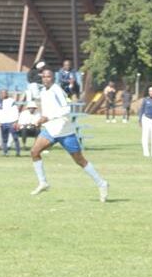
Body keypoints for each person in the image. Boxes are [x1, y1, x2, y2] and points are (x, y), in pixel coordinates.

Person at [29, 69, 109, 202]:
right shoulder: (43, 91)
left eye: (48, 76)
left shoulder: (57, 90)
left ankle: (102, 184)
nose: (45, 79)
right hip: (50, 130)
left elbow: (66, 109)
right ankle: (43, 182)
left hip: (65, 131)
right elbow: (47, 110)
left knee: (80, 161)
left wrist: (48, 118)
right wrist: (40, 119)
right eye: (43, 77)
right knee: (34, 152)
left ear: (53, 78)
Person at [0, 89, 20, 157]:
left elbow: (16, 111)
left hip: (11, 122)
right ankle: (5, 152)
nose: (3, 94)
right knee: (4, 139)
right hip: (3, 123)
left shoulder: (11, 101)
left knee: (15, 138)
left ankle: (18, 152)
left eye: (4, 93)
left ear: (7, 94)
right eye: (2, 93)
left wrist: (16, 121)